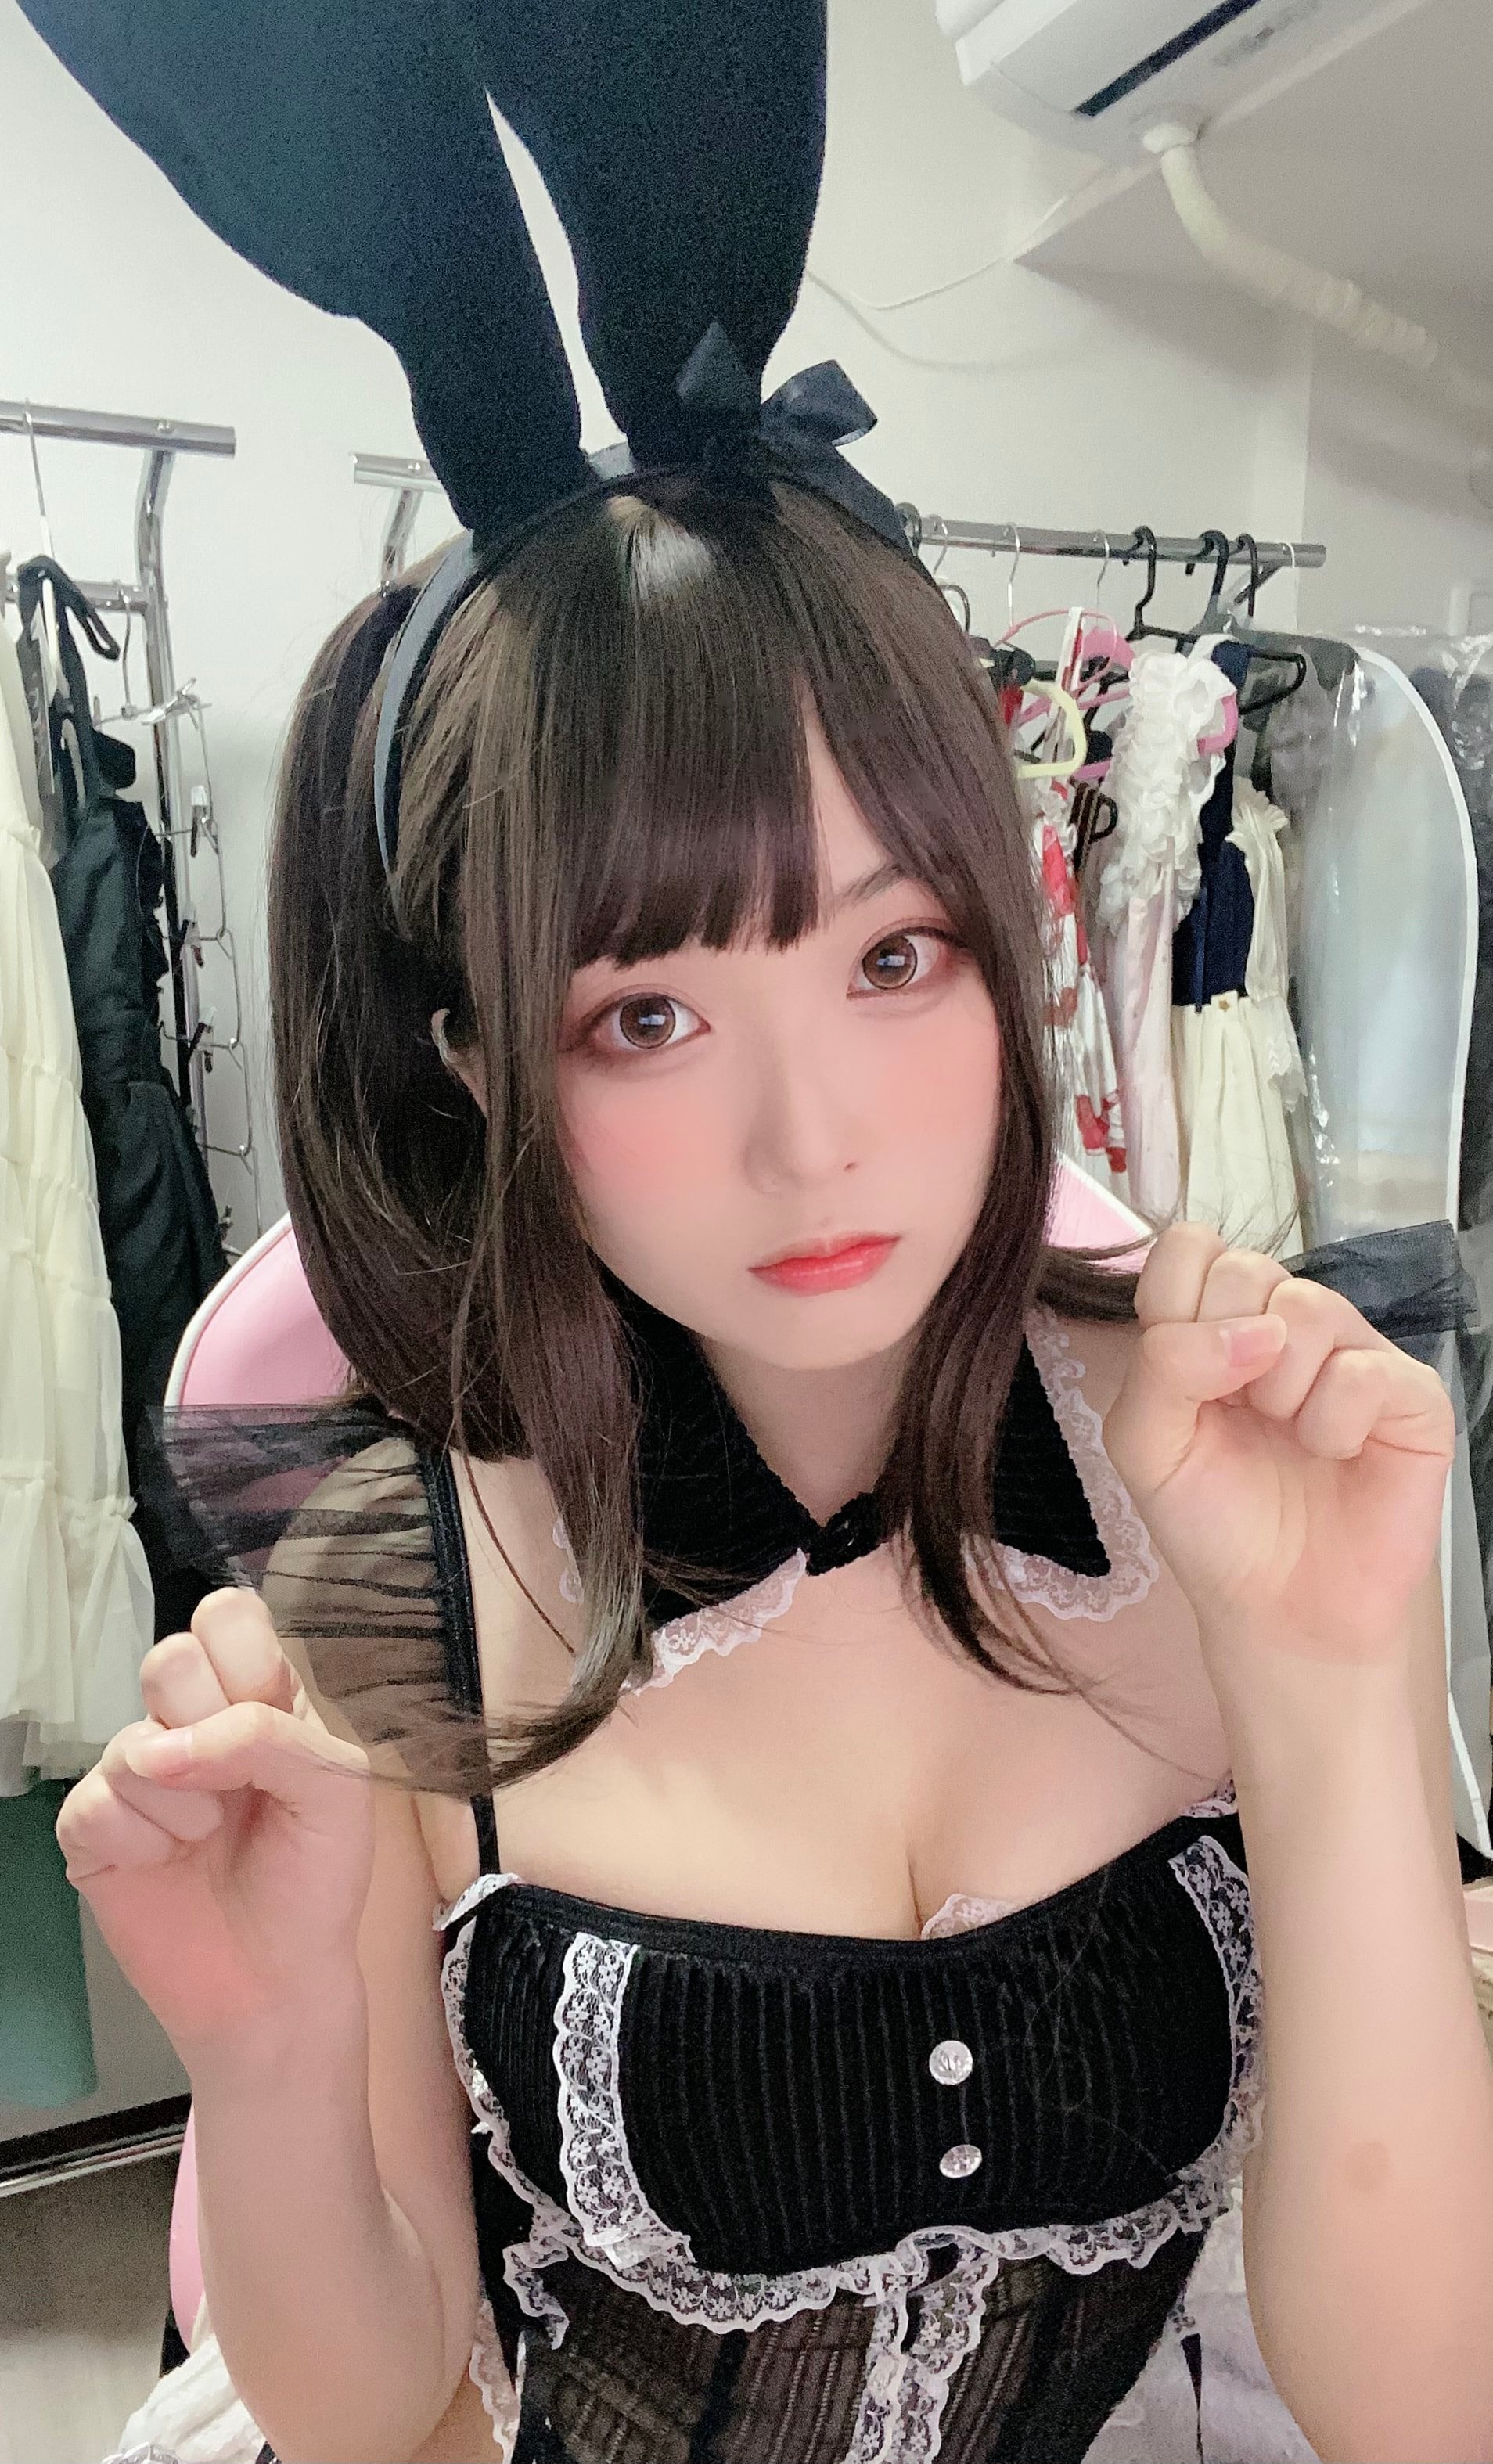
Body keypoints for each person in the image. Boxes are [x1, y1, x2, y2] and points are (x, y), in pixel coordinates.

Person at [29, 7, 1493, 2462]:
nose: (815, 1143)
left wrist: (1347, 1687)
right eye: (645, 1016)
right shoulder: (386, 1563)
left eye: (893, 957)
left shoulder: (1215, 1460)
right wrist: (261, 2053)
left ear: (1011, 945)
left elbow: (1420, 2413)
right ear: (476, 1057)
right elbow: (383, 2409)